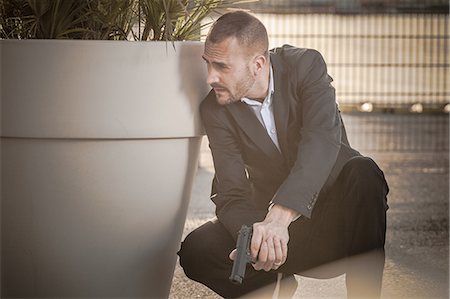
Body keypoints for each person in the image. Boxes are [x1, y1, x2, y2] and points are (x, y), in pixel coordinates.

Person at [178, 11, 389, 299]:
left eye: (221, 66)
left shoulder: (305, 66)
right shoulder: (214, 109)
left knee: (364, 172)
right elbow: (232, 194)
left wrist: (281, 215)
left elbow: (322, 142)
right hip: (273, 237)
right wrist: (258, 234)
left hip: (332, 228)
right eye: (208, 64)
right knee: (196, 250)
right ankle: (272, 287)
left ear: (258, 64)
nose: (210, 77)